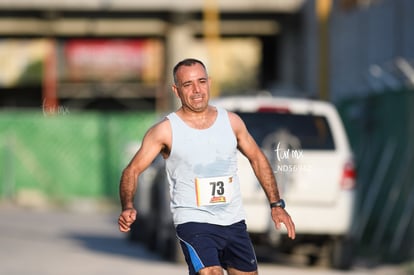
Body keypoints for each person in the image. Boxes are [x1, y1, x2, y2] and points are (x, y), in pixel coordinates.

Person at [118, 58, 296, 275]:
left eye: (201, 82)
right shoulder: (165, 130)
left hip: (233, 221)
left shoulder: (231, 122)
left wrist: (276, 204)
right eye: (188, 85)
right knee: (210, 272)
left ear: (209, 82)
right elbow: (132, 170)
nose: (196, 90)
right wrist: (127, 205)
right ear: (176, 90)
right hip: (193, 222)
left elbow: (258, 158)